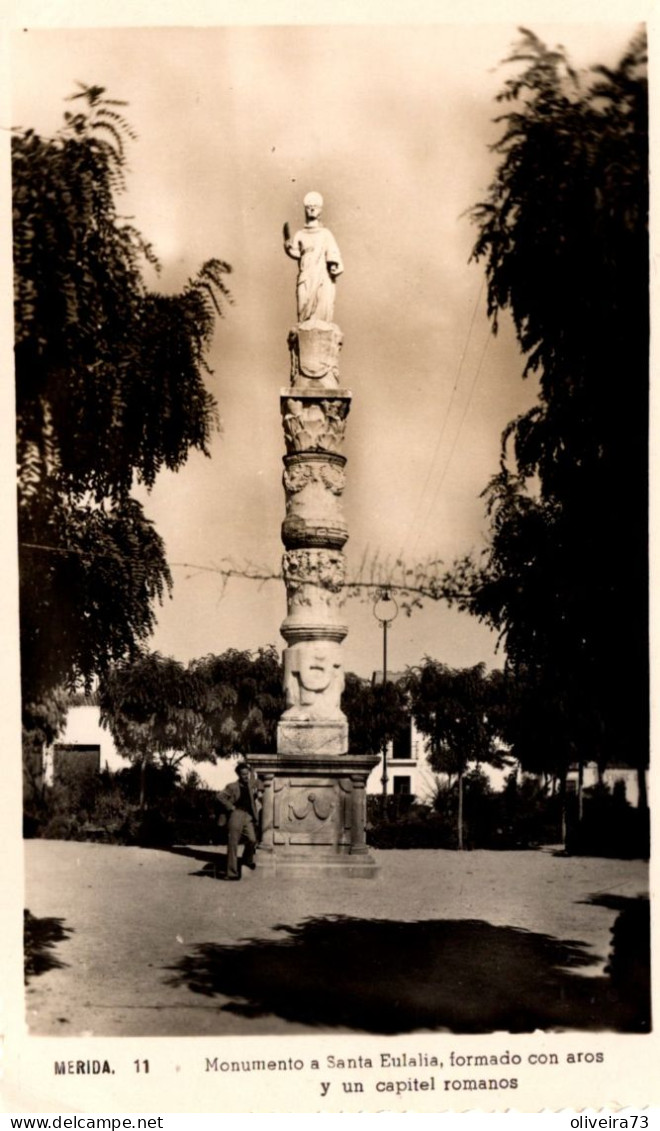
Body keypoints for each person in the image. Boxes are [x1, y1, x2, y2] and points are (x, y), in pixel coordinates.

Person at [284, 191, 343, 324]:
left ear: (320, 210)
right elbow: (296, 253)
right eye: (308, 207)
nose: (311, 209)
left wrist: (333, 264)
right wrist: (287, 247)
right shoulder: (300, 234)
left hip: (321, 276)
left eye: (315, 207)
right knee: (303, 311)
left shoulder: (325, 234)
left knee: (320, 315)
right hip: (305, 276)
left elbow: (332, 252)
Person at [217, 763, 261, 880]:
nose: (246, 776)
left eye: (247, 773)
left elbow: (260, 783)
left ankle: (247, 859)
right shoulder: (232, 786)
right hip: (236, 814)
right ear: (238, 775)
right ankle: (232, 873)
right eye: (243, 774)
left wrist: (260, 791)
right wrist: (230, 807)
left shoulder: (251, 784)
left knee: (252, 840)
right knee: (233, 844)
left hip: (248, 816)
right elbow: (220, 796)